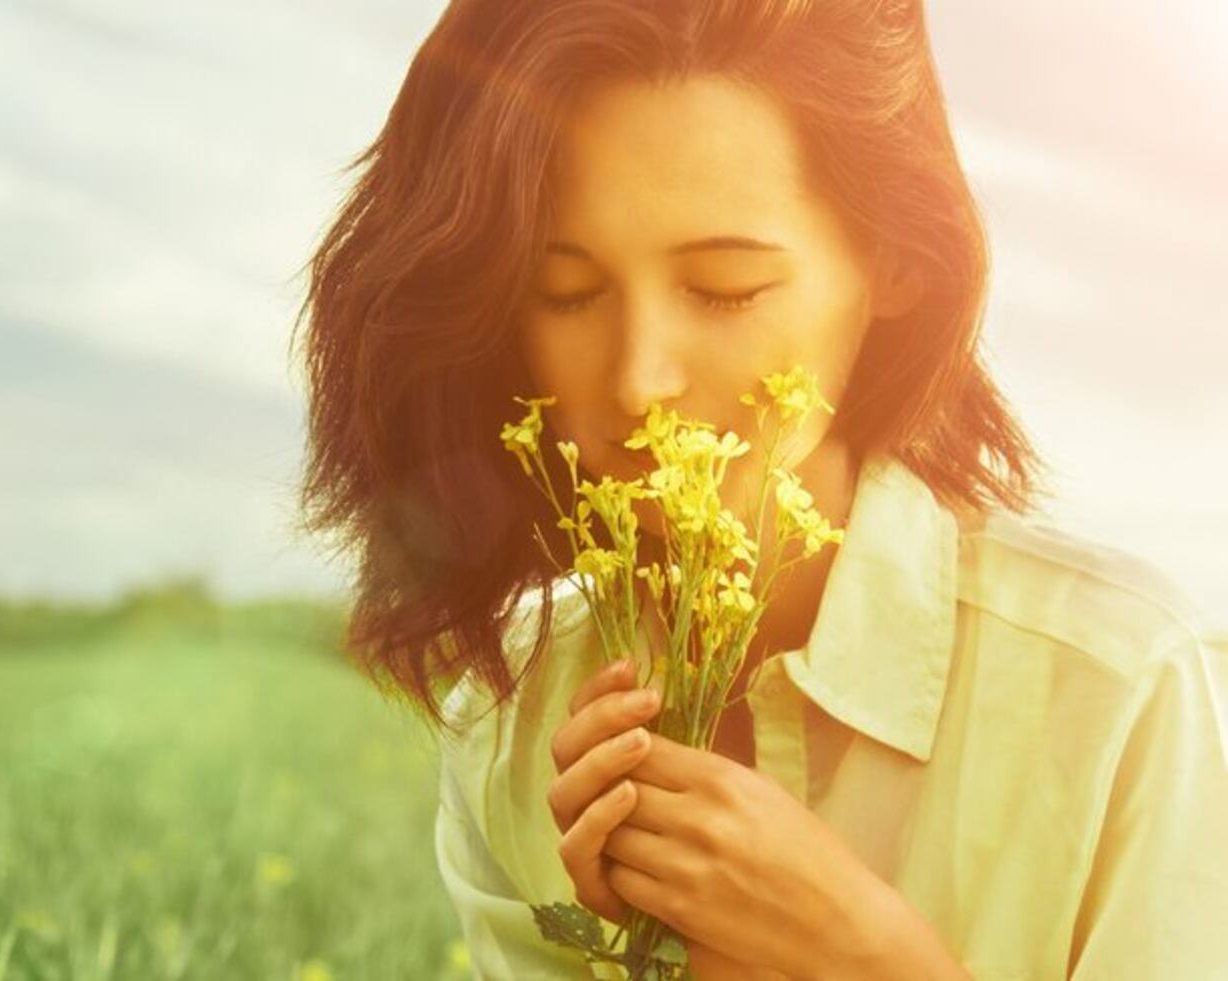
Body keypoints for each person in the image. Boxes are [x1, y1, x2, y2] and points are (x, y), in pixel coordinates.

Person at [290, 0, 1228, 977]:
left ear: (896, 262)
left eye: (726, 289)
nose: (639, 379)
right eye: (565, 293)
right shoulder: (509, 723)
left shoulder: (1124, 690)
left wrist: (870, 961)